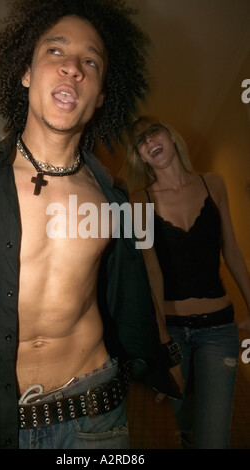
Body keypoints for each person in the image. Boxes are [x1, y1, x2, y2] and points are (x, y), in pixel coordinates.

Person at [0, 1, 182, 450]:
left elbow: (136, 290)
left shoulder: (112, 199)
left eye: (90, 61)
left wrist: (165, 350)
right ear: (26, 73)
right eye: (56, 51)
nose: (73, 67)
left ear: (98, 97)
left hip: (95, 417)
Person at [120, 115, 250, 449]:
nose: (149, 143)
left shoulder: (213, 184)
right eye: (141, 143)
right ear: (141, 157)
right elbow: (152, 271)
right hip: (172, 332)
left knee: (213, 438)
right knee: (188, 424)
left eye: (153, 133)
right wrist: (164, 343)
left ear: (171, 136)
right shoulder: (139, 201)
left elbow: (232, 250)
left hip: (219, 331)